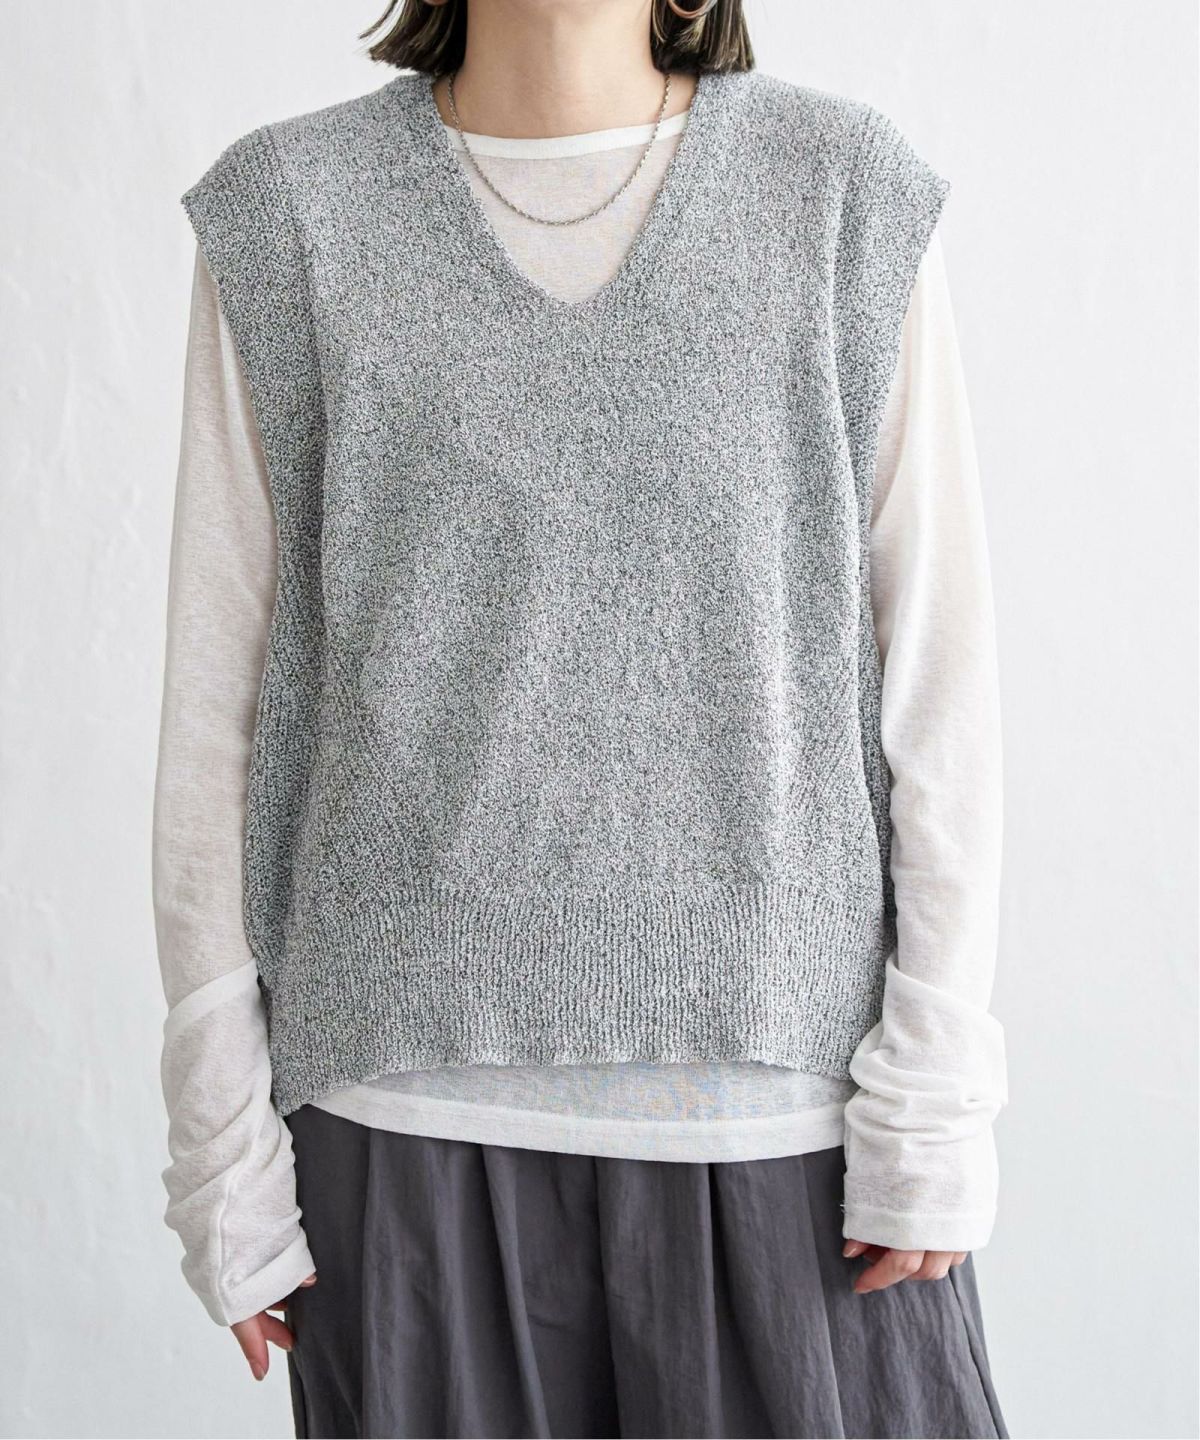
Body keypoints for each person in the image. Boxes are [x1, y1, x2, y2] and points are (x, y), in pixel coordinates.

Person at [151, 1, 1010, 1435]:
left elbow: (939, 684)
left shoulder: (842, 195)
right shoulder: (291, 214)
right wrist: (220, 1148)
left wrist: (938, 1090)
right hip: (404, 1139)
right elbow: (212, 723)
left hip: (792, 1125)